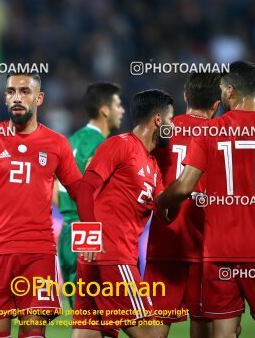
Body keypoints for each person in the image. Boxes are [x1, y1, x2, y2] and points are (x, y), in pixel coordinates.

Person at [156, 61, 255, 338]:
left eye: (221, 89)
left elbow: (184, 187)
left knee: (223, 334)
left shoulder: (208, 133)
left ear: (230, 90)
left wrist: (161, 203)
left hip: (219, 253)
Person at [0, 72, 82, 338]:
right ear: (5, 97)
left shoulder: (57, 144)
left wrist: (92, 233)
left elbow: (80, 192)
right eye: (11, 91)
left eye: (25, 92)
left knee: (34, 331)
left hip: (38, 252)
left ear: (39, 98)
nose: (17, 97)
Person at [73, 89, 173, 338]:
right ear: (158, 120)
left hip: (103, 260)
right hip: (113, 258)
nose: (173, 126)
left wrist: (190, 187)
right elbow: (86, 187)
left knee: (88, 334)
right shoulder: (120, 145)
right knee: (153, 334)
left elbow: (165, 211)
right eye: (171, 119)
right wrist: (89, 234)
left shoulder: (152, 166)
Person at [145, 73, 220, 338]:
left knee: (154, 328)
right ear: (216, 104)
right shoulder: (222, 136)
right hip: (206, 247)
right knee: (205, 326)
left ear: (185, 96)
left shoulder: (161, 131)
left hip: (165, 242)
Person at [56, 82, 124, 309]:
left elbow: (53, 191)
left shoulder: (69, 142)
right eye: (117, 104)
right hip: (87, 234)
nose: (121, 110)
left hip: (66, 232)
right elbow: (90, 192)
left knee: (83, 319)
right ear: (105, 109)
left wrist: (70, 212)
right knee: (96, 319)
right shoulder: (102, 146)